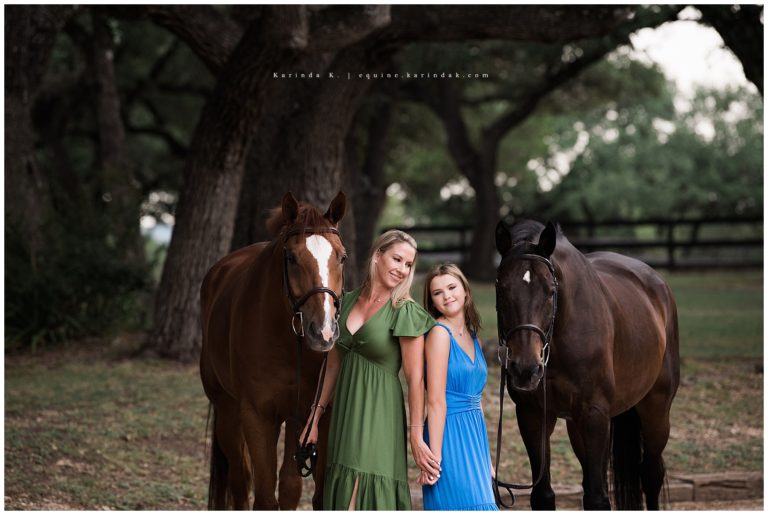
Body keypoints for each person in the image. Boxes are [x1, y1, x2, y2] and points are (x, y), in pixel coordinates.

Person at [301, 230, 441, 510]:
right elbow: (332, 366)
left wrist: (415, 434)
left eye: (408, 265)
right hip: (345, 413)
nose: (402, 270)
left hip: (380, 414)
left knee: (363, 491)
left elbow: (415, 380)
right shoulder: (347, 301)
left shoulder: (404, 310)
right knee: (342, 490)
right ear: (378, 255)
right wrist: (314, 419)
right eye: (397, 259)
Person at [419, 263, 498, 510]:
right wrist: (435, 457)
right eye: (437, 293)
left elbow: (476, 400)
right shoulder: (440, 334)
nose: (447, 296)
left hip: (474, 435)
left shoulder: (473, 335)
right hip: (447, 435)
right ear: (432, 301)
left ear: (466, 290)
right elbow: (435, 400)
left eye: (452, 287)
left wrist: (486, 460)